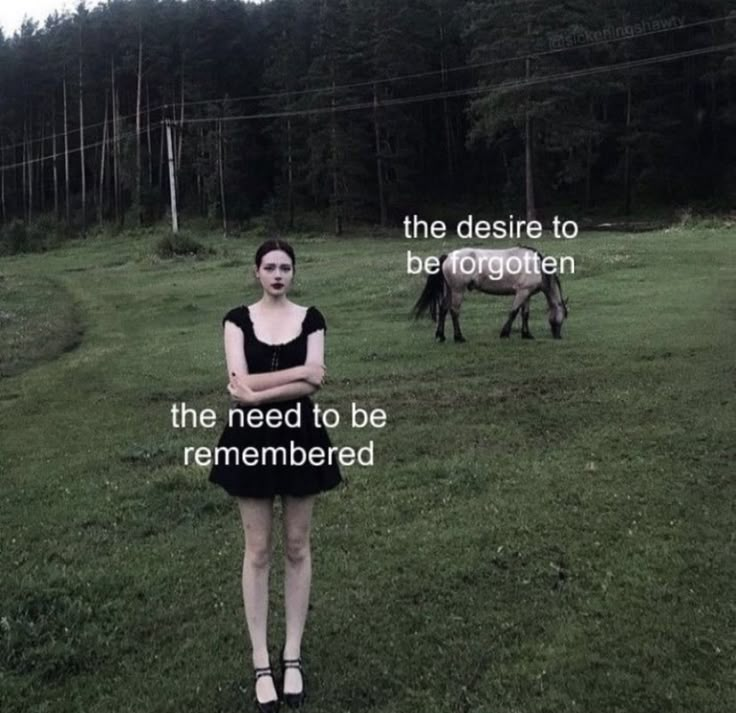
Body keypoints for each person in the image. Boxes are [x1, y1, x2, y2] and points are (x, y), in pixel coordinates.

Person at [209, 238, 342, 712]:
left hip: (300, 437)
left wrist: (260, 394)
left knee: (297, 545)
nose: (279, 274)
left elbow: (314, 381)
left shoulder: (312, 318)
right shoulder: (236, 320)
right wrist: (298, 374)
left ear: (294, 272)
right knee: (258, 549)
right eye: (270, 267)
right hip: (249, 441)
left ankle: (293, 654)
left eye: (286, 267)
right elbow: (238, 380)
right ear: (256, 272)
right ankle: (261, 659)